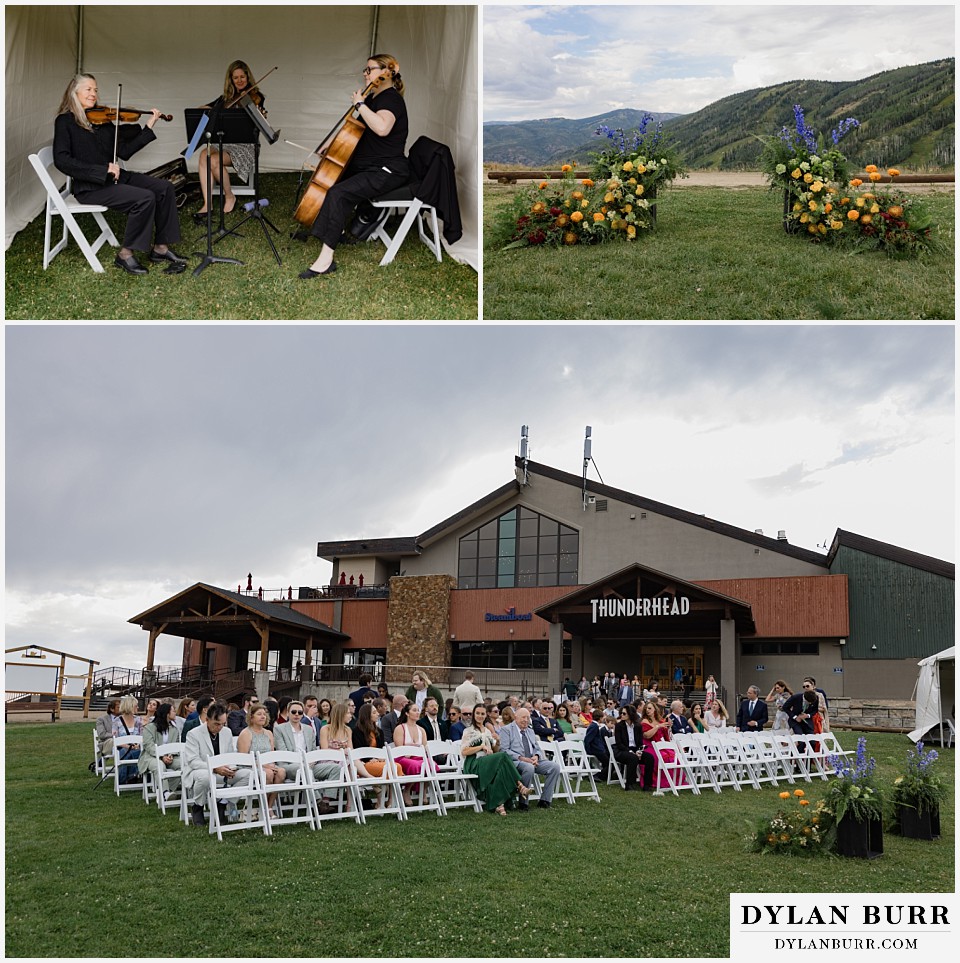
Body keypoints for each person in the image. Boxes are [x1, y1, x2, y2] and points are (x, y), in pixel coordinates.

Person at [53, 74, 185, 275]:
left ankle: (160, 248)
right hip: (91, 187)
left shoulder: (102, 121)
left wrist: (148, 127)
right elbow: (62, 160)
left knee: (164, 188)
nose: (93, 94)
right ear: (74, 92)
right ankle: (125, 254)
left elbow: (123, 151)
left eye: (95, 90)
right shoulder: (65, 121)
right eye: (88, 89)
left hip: (116, 177)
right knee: (145, 198)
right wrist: (102, 170)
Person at [299, 54, 409, 279]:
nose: (365, 73)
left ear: (386, 72)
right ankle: (331, 229)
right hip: (369, 165)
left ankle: (325, 259)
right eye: (365, 69)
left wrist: (359, 103)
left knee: (338, 193)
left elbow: (382, 128)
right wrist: (330, 146)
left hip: (387, 171)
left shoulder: (391, 99)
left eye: (369, 69)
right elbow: (354, 127)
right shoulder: (373, 97)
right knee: (332, 178)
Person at [195, 60, 266, 217]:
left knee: (213, 160)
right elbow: (204, 108)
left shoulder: (255, 96)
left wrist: (260, 114)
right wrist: (210, 109)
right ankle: (208, 204)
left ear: (248, 78)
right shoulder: (225, 99)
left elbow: (260, 119)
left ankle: (229, 196)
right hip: (225, 143)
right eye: (236, 78)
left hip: (245, 145)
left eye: (242, 77)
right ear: (231, 80)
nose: (240, 80)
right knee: (203, 154)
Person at [182, 702, 251, 826]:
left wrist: (232, 768)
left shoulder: (227, 732)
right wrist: (214, 768)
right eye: (216, 724)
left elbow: (230, 755)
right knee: (205, 777)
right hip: (199, 770)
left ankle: (223, 803)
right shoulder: (193, 734)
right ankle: (198, 806)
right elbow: (193, 761)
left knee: (248, 774)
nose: (220, 727)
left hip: (223, 771)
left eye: (223, 724)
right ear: (207, 719)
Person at [460, 705, 527, 816]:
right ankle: (519, 784)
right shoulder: (468, 731)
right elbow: (464, 751)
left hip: (487, 761)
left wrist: (498, 741)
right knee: (503, 756)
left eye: (482, 714)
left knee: (501, 768)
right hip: (474, 762)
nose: (480, 716)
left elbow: (495, 750)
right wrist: (481, 747)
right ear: (473, 715)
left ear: (486, 715)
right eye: (477, 713)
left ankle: (498, 804)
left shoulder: (487, 731)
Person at [499, 708, 562, 809]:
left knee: (554, 767)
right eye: (523, 717)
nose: (526, 720)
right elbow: (504, 750)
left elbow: (537, 748)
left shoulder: (530, 731)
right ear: (516, 717)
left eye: (528, 718)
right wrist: (522, 758)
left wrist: (536, 756)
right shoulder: (506, 730)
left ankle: (545, 800)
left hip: (532, 760)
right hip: (515, 761)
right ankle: (523, 802)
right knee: (529, 767)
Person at [237, 702, 286, 812]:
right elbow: (243, 758)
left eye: (264, 714)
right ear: (251, 717)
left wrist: (271, 765)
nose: (263, 716)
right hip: (250, 766)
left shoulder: (268, 733)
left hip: (268, 765)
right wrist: (263, 765)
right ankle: (265, 807)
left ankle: (269, 806)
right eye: (259, 714)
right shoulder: (246, 733)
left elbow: (272, 753)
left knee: (281, 771)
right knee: (267, 773)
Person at [137, 702, 181, 789]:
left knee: (183, 765)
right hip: (151, 756)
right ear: (167, 713)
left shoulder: (174, 729)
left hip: (170, 757)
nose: (175, 712)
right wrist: (161, 756)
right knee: (159, 765)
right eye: (173, 711)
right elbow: (149, 746)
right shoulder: (149, 728)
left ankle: (169, 790)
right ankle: (165, 792)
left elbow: (176, 745)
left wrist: (170, 755)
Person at [614, 704, 655, 791]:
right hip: (622, 750)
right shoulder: (619, 726)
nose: (622, 715)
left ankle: (647, 784)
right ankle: (629, 784)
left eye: (624, 713)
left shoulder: (638, 726)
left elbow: (640, 742)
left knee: (650, 758)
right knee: (633, 758)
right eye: (621, 713)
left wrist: (639, 751)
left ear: (630, 714)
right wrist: (630, 751)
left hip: (635, 749)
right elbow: (619, 744)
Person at [639, 701, 675, 790]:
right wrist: (657, 727)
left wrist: (668, 727)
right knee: (659, 757)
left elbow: (665, 735)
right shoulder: (644, 721)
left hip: (659, 744)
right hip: (648, 745)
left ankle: (671, 781)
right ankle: (657, 781)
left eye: (649, 708)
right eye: (646, 708)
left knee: (673, 756)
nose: (647, 710)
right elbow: (647, 735)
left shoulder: (659, 720)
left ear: (655, 709)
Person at [111, 695, 144, 779]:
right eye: (136, 706)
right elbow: (115, 738)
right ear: (130, 706)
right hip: (121, 747)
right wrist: (128, 746)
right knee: (126, 751)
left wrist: (137, 745)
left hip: (136, 747)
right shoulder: (117, 721)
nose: (138, 707)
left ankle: (126, 776)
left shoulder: (138, 720)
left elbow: (142, 735)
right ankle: (129, 775)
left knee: (137, 752)